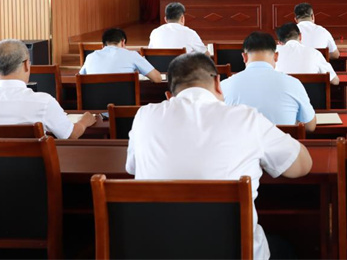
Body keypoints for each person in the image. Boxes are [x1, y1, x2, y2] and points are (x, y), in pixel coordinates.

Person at [125, 53, 312, 260]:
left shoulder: (144, 117)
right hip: (235, 253)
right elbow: (301, 166)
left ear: (169, 95)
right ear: (218, 83)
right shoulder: (247, 118)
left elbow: (132, 168)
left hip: (159, 251)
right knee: (288, 246)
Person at [0, 40, 96, 138]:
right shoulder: (44, 102)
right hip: (29, 169)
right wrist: (84, 121)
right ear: (27, 65)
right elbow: (70, 135)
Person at [221, 32, 317, 131]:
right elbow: (310, 127)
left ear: (244, 57)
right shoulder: (294, 84)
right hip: (281, 141)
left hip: (241, 141)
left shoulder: (224, 86)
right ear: (276, 56)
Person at [79, 28, 162, 82]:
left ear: (103, 45)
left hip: (95, 103)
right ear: (123, 42)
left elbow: (80, 78)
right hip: (124, 103)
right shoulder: (132, 55)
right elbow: (157, 79)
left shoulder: (90, 57)